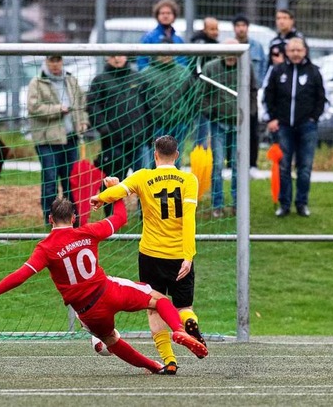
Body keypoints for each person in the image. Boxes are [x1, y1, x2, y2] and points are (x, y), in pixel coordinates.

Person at [0, 194, 208, 375]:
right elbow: (120, 217)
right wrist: (115, 192)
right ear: (74, 217)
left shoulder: (46, 248)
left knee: (110, 340)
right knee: (160, 300)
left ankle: (154, 366)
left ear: (50, 219)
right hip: (109, 291)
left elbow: (21, 275)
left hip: (88, 311)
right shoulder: (87, 231)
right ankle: (177, 328)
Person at [90, 135, 207, 375]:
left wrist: (99, 198)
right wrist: (188, 255)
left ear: (155, 155)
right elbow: (189, 220)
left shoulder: (143, 176)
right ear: (176, 155)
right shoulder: (189, 180)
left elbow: (119, 191)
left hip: (151, 254)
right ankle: (188, 323)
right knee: (184, 305)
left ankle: (170, 360)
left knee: (154, 308)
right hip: (178, 255)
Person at [263, 37, 327, 218]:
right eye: (292, 50)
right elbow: (268, 96)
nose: (296, 54)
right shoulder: (277, 71)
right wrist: (272, 118)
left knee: (304, 168)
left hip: (307, 127)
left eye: (299, 50)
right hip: (283, 127)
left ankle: (302, 203)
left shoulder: (314, 72)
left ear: (305, 51)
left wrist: (314, 118)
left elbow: (322, 98)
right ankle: (284, 205)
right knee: (283, 166)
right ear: (287, 52)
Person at [27, 55, 90, 226]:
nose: (55, 64)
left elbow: (81, 104)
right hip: (47, 141)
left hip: (70, 139)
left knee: (71, 181)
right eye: (51, 61)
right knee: (50, 180)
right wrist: (57, 109)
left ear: (62, 61)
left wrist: (83, 121)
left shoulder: (71, 80)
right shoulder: (37, 82)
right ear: (46, 62)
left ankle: (71, 219)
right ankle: (50, 220)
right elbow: (33, 107)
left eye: (58, 60)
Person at [201, 39, 258, 218]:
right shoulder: (210, 68)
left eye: (234, 51)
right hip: (218, 123)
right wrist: (211, 112)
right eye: (228, 51)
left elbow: (253, 92)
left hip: (239, 125)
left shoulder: (246, 68)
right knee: (217, 164)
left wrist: (249, 113)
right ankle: (217, 204)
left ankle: (236, 204)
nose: (231, 55)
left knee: (237, 165)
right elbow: (203, 94)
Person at [87, 55, 149, 216]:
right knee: (113, 181)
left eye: (119, 55)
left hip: (138, 140)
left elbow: (148, 107)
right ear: (106, 57)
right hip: (113, 142)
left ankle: (147, 217)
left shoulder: (138, 77)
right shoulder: (100, 80)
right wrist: (104, 129)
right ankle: (112, 218)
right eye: (113, 56)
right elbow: (93, 107)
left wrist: (147, 132)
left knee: (144, 182)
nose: (116, 59)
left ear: (126, 56)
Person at [139, 41, 197, 168]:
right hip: (156, 126)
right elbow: (140, 102)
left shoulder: (184, 72)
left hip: (179, 125)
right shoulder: (145, 74)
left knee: (176, 162)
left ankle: (175, 188)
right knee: (156, 163)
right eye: (163, 51)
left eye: (169, 51)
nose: (166, 55)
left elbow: (193, 98)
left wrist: (187, 119)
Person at [233, 14, 267, 177]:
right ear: (234, 28)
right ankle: (231, 163)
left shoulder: (257, 47)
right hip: (231, 96)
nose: (241, 28)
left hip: (252, 95)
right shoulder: (229, 46)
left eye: (243, 25)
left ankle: (252, 164)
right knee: (232, 132)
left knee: (253, 131)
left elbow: (263, 69)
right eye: (238, 25)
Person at [190, 16, 220, 148]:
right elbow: (194, 69)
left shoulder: (216, 45)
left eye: (216, 28)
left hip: (213, 93)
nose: (215, 32)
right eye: (211, 29)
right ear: (204, 29)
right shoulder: (200, 44)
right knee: (201, 128)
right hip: (200, 93)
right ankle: (199, 153)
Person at [137, 0, 188, 71]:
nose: (165, 16)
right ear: (157, 16)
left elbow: (183, 62)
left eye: (168, 13)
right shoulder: (149, 37)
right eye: (162, 13)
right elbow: (142, 62)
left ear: (174, 16)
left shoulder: (178, 39)